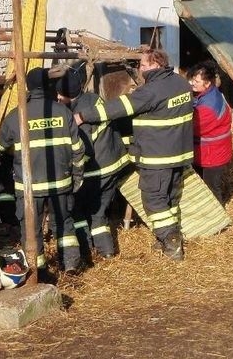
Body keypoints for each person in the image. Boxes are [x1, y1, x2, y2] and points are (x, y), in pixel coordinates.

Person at [75, 49, 193, 261]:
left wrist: (83, 115)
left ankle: (171, 241)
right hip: (180, 154)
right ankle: (164, 239)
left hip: (157, 157)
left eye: (143, 66)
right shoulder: (180, 83)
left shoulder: (150, 91)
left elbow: (118, 108)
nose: (140, 70)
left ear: (156, 65)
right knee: (170, 199)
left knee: (154, 201)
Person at [0, 67, 86, 273]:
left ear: (28, 87)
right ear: (48, 85)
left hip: (29, 189)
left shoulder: (17, 115)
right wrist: (77, 176)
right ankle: (70, 265)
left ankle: (38, 271)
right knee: (64, 226)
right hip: (60, 184)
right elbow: (78, 149)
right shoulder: (63, 112)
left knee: (31, 231)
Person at [56, 62, 129, 260]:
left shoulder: (76, 115)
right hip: (114, 165)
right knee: (99, 213)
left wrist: (72, 172)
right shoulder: (94, 98)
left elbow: (84, 149)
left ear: (65, 95)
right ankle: (107, 252)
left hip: (95, 171)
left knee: (78, 212)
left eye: (59, 95)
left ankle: (86, 251)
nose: (57, 99)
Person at [186, 60, 232, 204]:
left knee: (211, 187)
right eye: (192, 79)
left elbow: (192, 128)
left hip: (212, 154)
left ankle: (218, 219)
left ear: (207, 83)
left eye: (196, 81)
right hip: (213, 151)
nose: (192, 83)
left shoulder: (207, 108)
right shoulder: (210, 94)